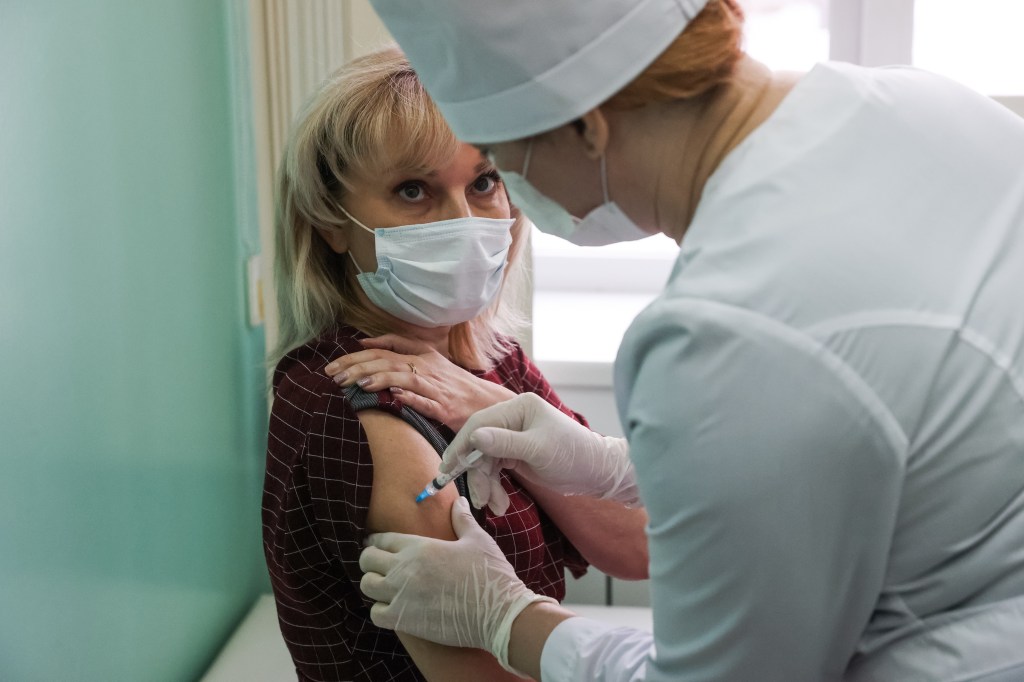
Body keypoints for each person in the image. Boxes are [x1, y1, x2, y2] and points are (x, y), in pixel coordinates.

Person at [356, 0, 1024, 680]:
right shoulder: (921, 102)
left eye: (499, 164)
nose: (516, 204)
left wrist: (507, 618)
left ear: (585, 123)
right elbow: (898, 429)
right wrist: (614, 468)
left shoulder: (725, 331)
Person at [262, 45, 648, 682]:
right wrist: (505, 620)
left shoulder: (491, 359)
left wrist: (507, 423)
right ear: (331, 220)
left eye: (484, 181)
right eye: (412, 190)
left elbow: (636, 547)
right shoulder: (357, 403)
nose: (462, 221)